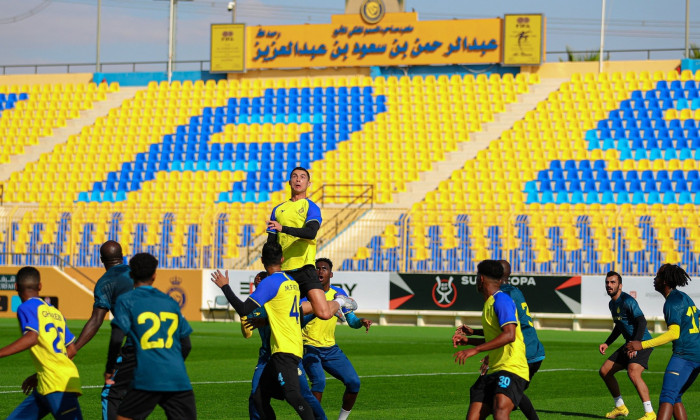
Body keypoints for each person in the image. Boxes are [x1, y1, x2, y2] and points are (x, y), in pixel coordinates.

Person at [211, 242, 350, 419]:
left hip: (285, 351)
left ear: (261, 260)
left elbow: (244, 309)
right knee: (259, 397)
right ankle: (340, 302)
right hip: (285, 350)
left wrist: (225, 286)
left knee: (294, 395)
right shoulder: (290, 281)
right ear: (282, 259)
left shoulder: (270, 283)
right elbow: (293, 310)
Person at [107, 253, 195, 420]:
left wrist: (109, 368)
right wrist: (170, 362)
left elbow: (117, 338)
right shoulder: (170, 302)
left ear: (131, 274)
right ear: (155, 275)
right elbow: (187, 344)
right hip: (177, 377)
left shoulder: (126, 300)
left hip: (147, 375)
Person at [242, 271, 327, 420]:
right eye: (256, 280)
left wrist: (324, 309)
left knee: (303, 394)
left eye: (261, 279)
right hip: (266, 357)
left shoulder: (281, 301)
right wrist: (244, 319)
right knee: (256, 396)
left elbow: (300, 317)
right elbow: (247, 333)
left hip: (286, 353)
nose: (258, 281)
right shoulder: (255, 306)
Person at [0, 266, 82, 419]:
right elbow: (71, 349)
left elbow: (32, 337)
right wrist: (39, 375)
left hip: (57, 384)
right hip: (47, 382)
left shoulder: (25, 307)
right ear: (40, 286)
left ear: (16, 287)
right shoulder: (55, 312)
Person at [452, 260, 529, 420]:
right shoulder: (489, 303)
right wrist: (469, 341)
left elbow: (509, 335)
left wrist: (476, 350)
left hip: (512, 368)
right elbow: (495, 338)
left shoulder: (502, 300)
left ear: (481, 279)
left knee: (500, 409)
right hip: (494, 369)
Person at [266, 167, 344, 321]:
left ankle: (340, 301)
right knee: (281, 314)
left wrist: (283, 229)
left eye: (302, 177)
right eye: (294, 176)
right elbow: (271, 245)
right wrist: (269, 269)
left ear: (308, 183)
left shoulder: (311, 207)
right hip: (284, 271)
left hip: (305, 267)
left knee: (324, 313)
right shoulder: (277, 210)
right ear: (289, 182)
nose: (298, 179)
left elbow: (311, 233)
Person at [626, 264, 700, 420]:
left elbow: (674, 333)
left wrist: (642, 344)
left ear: (665, 281)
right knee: (676, 396)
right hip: (696, 354)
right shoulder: (683, 296)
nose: (655, 279)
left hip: (684, 355)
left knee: (667, 397)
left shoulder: (672, 302)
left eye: (658, 276)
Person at [302, 258, 372, 420]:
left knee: (354, 383)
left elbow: (351, 321)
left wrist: (361, 322)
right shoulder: (306, 293)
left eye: (324, 269)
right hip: (308, 346)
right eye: (317, 268)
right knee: (319, 382)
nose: (320, 271)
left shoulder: (339, 294)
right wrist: (320, 309)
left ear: (331, 274)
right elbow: (299, 321)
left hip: (330, 348)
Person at [473, 259, 543, 420]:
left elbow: (509, 331)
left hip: (523, 351)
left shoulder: (502, 295)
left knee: (501, 393)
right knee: (510, 392)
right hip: (534, 348)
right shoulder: (515, 291)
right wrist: (473, 334)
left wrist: (487, 353)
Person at [73, 240, 134, 420]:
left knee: (110, 394)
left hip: (137, 343)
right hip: (164, 340)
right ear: (122, 257)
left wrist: (74, 347)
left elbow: (96, 320)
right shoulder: (137, 273)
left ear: (101, 260)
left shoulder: (105, 282)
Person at [598, 271, 656, 420]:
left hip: (642, 343)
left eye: (613, 282)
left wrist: (635, 343)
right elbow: (619, 326)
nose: (609, 285)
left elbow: (642, 322)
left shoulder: (628, 301)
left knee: (633, 372)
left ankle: (650, 413)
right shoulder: (612, 303)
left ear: (620, 285)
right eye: (607, 282)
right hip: (629, 343)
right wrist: (607, 342)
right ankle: (620, 407)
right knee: (604, 371)